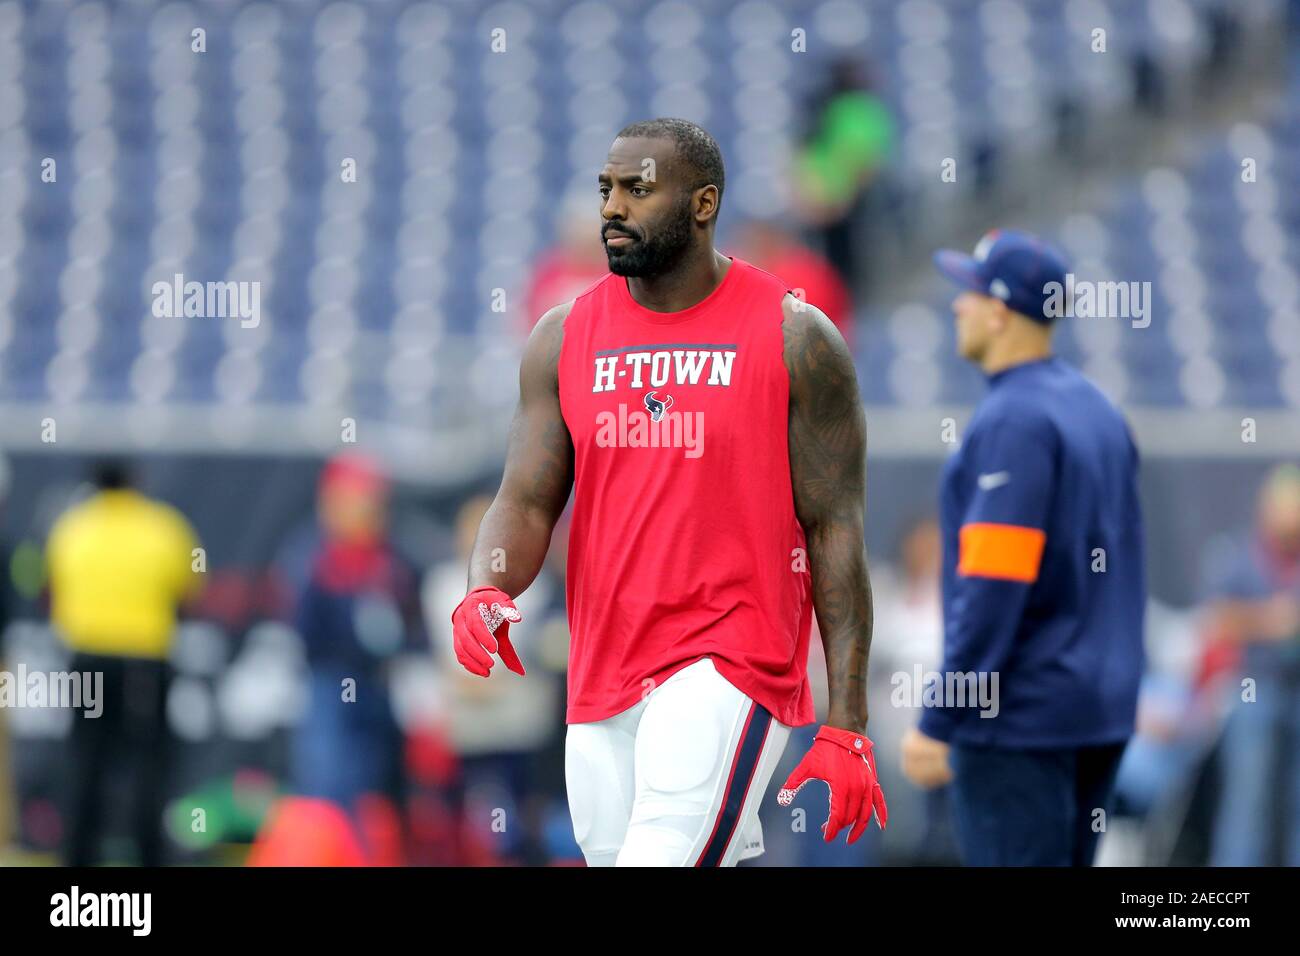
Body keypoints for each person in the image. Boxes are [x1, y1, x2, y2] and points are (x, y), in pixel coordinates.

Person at [449, 117, 887, 867]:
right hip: (602, 665)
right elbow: (524, 500)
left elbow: (835, 528)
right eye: (605, 189)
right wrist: (485, 586)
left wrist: (848, 721)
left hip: (730, 659)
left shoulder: (795, 335)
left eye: (637, 189)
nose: (612, 207)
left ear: (703, 203)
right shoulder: (563, 336)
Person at [901, 229, 1146, 867]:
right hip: (1098, 711)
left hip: (1020, 717)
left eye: (970, 293)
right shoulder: (1098, 409)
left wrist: (941, 716)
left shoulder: (1014, 419)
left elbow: (994, 583)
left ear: (1001, 310)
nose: (958, 305)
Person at [46, 460, 202, 866]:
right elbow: (189, 589)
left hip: (87, 661)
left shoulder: (72, 527)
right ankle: (150, 855)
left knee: (86, 764)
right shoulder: (161, 526)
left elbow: (53, 588)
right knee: (147, 769)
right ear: (136, 481)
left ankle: (78, 859)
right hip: (142, 663)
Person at [288, 453, 425, 864]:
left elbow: (410, 625)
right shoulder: (314, 558)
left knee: (378, 789)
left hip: (379, 686)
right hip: (332, 685)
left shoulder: (392, 560)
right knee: (329, 784)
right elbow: (306, 632)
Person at [1201, 463, 1300, 865]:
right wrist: (1270, 621)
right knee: (1247, 805)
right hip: (1256, 689)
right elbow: (1216, 621)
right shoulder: (1240, 556)